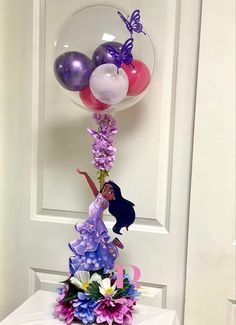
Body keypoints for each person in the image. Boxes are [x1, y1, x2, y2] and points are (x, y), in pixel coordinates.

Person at [69, 168, 135, 274]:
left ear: (114, 196)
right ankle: (88, 268)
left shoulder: (105, 202)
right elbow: (94, 188)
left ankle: (113, 245)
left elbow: (102, 198)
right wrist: (85, 174)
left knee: (100, 248)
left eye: (110, 191)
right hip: (89, 225)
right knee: (89, 248)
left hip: (96, 226)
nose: (106, 192)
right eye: (104, 189)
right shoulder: (99, 197)